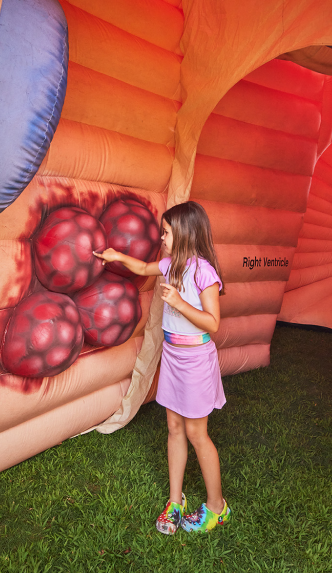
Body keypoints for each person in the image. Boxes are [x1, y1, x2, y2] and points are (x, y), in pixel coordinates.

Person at [96, 200, 231, 535]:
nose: (162, 237)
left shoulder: (203, 272)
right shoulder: (171, 265)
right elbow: (143, 269)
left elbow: (213, 323)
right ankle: (175, 501)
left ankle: (218, 507)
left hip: (197, 360)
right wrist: (117, 257)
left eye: (167, 232)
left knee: (197, 433)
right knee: (173, 428)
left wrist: (179, 302)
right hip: (172, 356)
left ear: (185, 233)